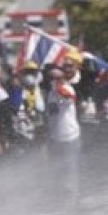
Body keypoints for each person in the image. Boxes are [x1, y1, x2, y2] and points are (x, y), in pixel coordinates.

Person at [45, 63, 82, 206]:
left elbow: (70, 97)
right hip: (55, 138)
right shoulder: (50, 93)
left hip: (70, 138)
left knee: (70, 170)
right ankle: (58, 200)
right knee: (57, 171)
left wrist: (60, 86)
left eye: (58, 78)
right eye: (53, 78)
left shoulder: (66, 89)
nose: (55, 80)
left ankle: (72, 202)